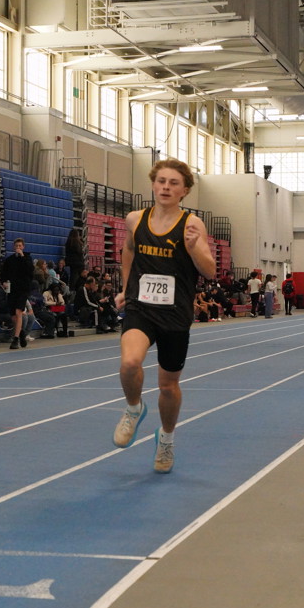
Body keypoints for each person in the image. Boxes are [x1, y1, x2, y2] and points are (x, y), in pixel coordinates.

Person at [112, 159, 216, 474]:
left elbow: (210, 271)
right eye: (161, 181)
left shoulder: (192, 225)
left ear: (185, 191)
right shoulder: (135, 219)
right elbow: (128, 250)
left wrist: (194, 248)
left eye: (173, 183)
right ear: (153, 185)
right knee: (130, 363)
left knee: (168, 386)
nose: (166, 187)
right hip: (140, 308)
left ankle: (166, 438)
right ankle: (134, 409)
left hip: (175, 313)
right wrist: (126, 288)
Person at [0, 237, 34, 349]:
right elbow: (3, 273)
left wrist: (22, 256)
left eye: (20, 246)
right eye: (16, 246)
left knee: (18, 312)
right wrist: (4, 282)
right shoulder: (9, 260)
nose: (18, 247)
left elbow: (30, 271)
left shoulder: (27, 258)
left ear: (23, 247)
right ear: (13, 247)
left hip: (23, 290)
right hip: (12, 289)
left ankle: (15, 339)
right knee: (13, 316)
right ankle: (21, 332)